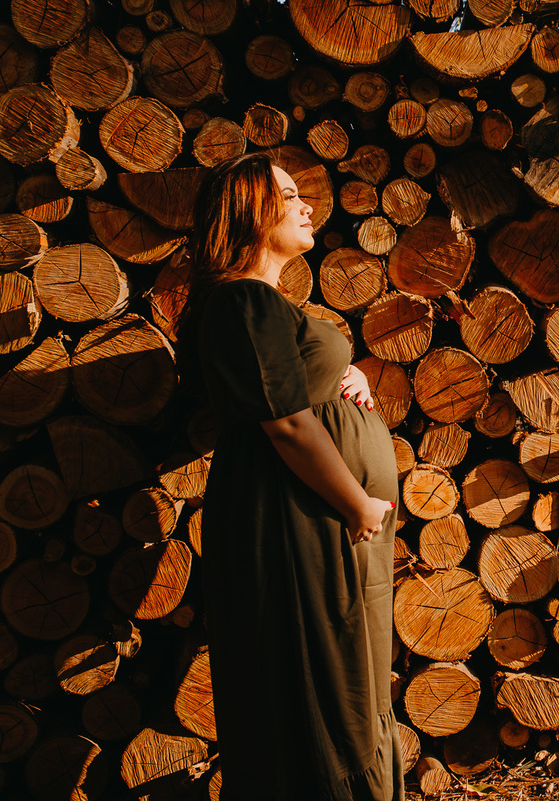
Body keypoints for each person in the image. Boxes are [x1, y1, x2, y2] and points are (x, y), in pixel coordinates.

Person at [182, 153, 403, 801]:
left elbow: (287, 385)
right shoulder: (242, 300)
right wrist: (358, 501)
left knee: (345, 665)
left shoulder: (259, 304)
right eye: (288, 195)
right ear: (250, 211)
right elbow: (284, 424)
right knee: (320, 674)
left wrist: (343, 372)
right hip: (294, 518)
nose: (307, 206)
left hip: (312, 513)